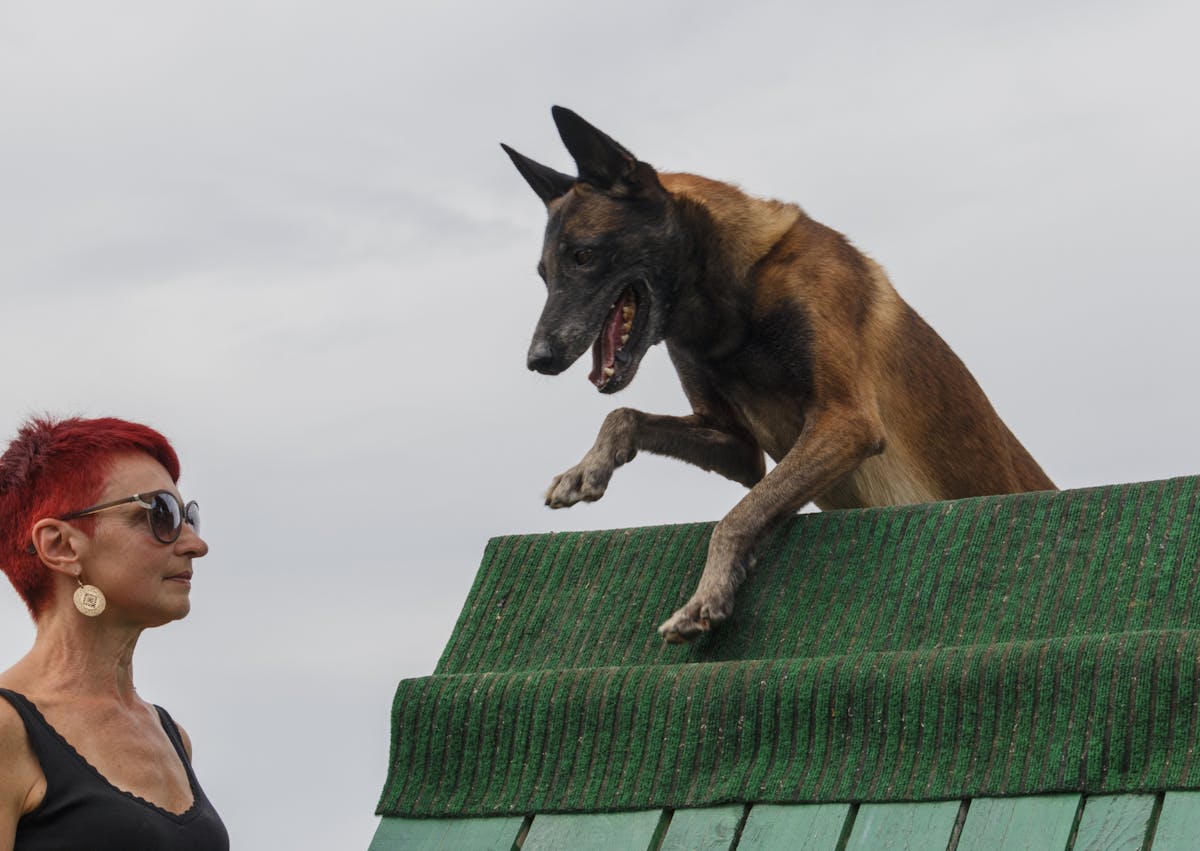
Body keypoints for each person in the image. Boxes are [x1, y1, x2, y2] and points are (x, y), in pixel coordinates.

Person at [0, 416, 228, 850]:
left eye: (189, 516)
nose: (195, 544)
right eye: (160, 514)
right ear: (60, 546)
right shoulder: (7, 730)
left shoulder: (171, 737)